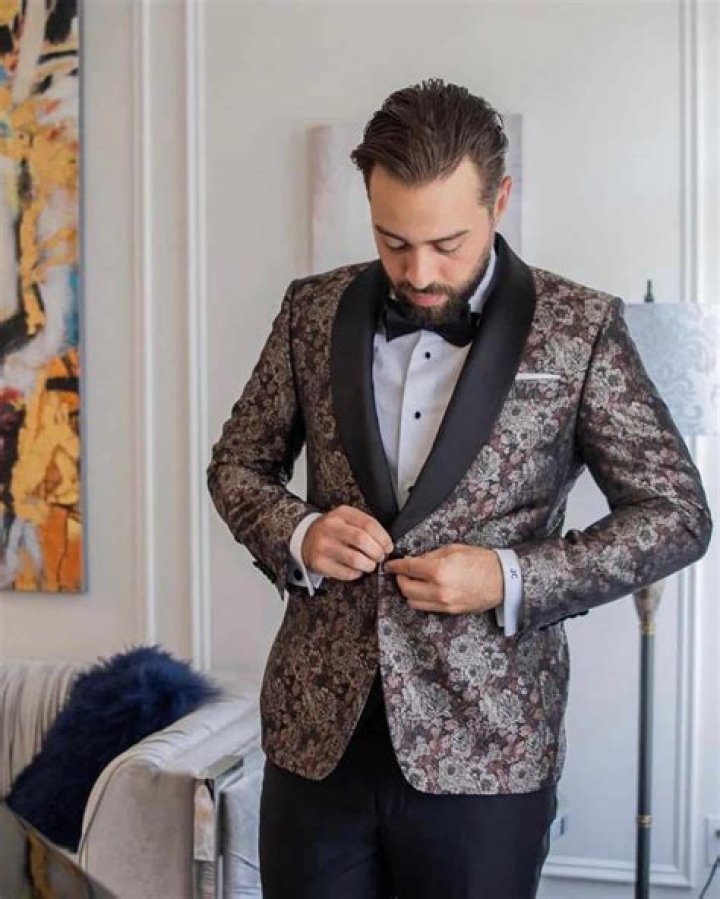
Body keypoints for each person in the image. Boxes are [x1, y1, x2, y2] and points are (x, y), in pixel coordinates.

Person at [207, 80, 712, 899]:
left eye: (447, 243)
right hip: (315, 738)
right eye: (393, 240)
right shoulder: (311, 310)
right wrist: (300, 532)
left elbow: (677, 514)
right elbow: (237, 463)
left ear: (499, 200)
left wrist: (508, 576)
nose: (418, 272)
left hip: (489, 750)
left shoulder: (579, 327)